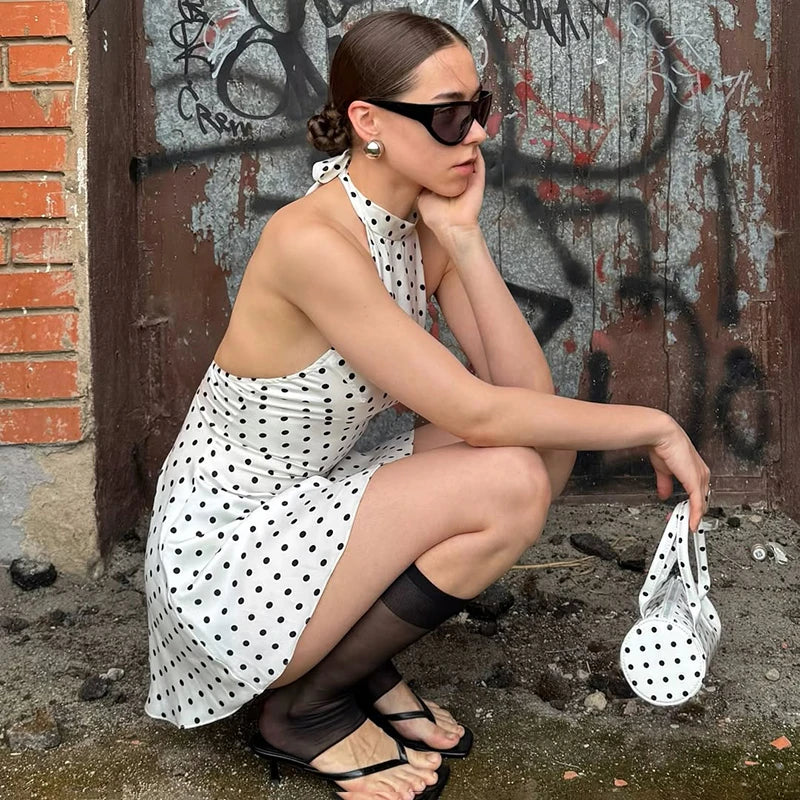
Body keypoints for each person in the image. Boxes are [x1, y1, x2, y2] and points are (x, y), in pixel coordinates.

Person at [144, 9, 711, 800]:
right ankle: (303, 711)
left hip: (312, 497)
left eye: (478, 109)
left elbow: (523, 399)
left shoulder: (418, 222)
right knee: (508, 479)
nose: (475, 135)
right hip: (231, 552)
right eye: (449, 117)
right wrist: (656, 423)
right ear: (367, 122)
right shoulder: (313, 242)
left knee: (538, 451)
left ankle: (355, 658)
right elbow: (482, 417)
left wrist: (466, 241)